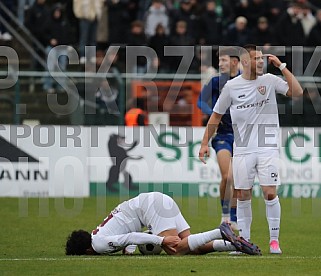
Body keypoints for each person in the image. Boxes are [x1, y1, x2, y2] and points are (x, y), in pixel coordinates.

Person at [199, 44, 303, 254]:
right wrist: (203, 144)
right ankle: (244, 242)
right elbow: (216, 115)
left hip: (268, 147)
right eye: (256, 59)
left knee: (270, 193)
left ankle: (274, 241)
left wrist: (281, 66)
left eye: (261, 59)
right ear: (244, 62)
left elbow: (297, 92)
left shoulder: (270, 80)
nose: (260, 62)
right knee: (243, 193)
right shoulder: (232, 86)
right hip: (243, 149)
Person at [65, 192, 261, 255]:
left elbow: (131, 236)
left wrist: (160, 241)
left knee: (176, 248)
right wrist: (129, 248)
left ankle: (219, 232)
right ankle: (233, 245)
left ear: (85, 251)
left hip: (153, 207)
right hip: (157, 200)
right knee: (192, 247)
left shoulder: (98, 244)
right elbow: (127, 233)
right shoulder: (97, 233)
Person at [197, 47, 240, 230]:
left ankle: (236, 217)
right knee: (228, 176)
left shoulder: (246, 81)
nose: (220, 64)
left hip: (243, 137)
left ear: (235, 62)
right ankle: (225, 215)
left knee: (239, 180)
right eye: (219, 60)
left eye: (224, 60)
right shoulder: (215, 81)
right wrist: (215, 113)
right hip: (222, 134)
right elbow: (200, 101)